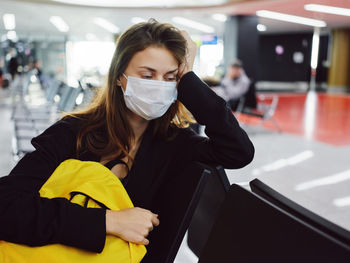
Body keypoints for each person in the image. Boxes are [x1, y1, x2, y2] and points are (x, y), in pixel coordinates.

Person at [0, 19, 254, 257]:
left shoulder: (175, 143)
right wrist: (108, 221)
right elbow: (6, 206)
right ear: (120, 77)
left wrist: (188, 78)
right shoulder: (73, 132)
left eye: (170, 78)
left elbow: (238, 150)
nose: (159, 85)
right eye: (147, 75)